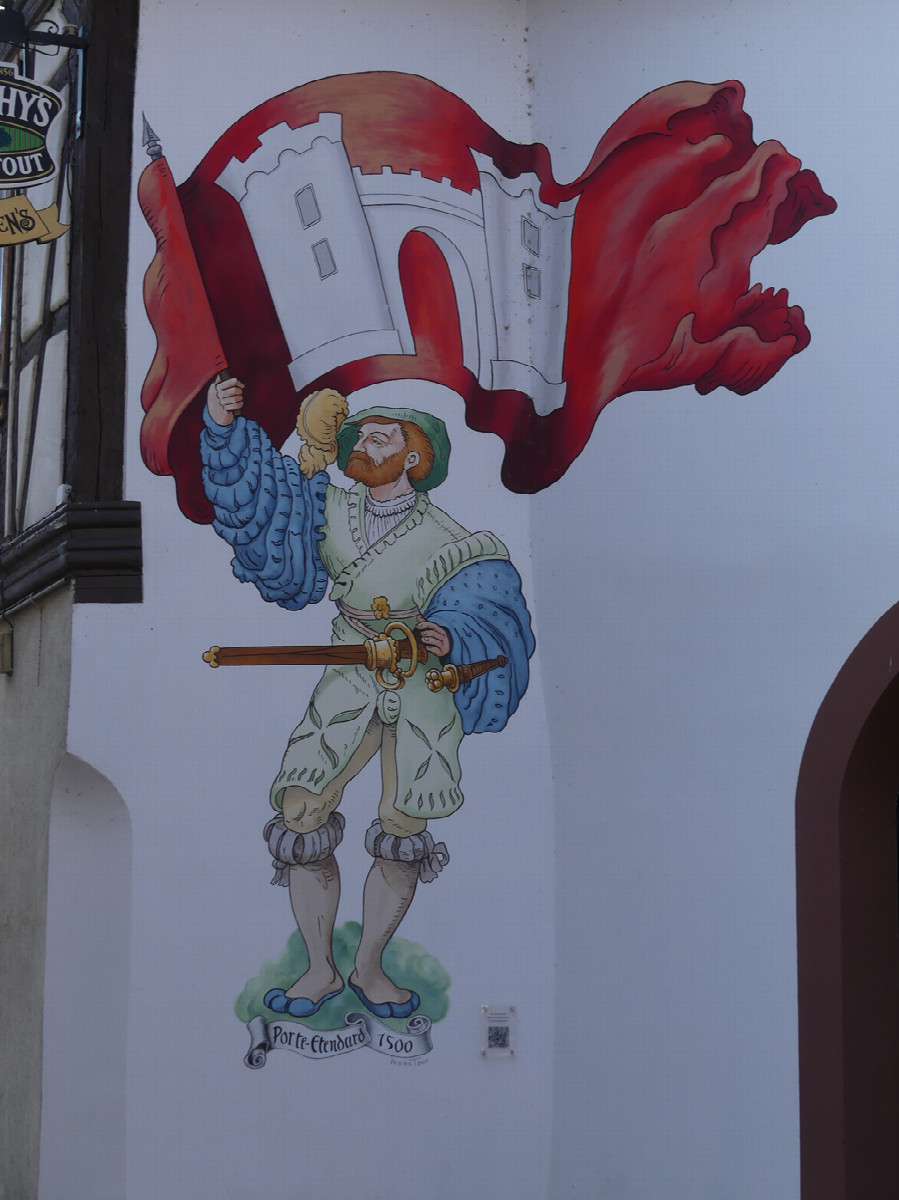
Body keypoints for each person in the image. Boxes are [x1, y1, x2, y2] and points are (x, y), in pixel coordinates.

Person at [201, 376, 535, 1020]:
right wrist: (221, 428)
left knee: (405, 826)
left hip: (422, 693)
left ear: (414, 457)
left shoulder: (451, 537)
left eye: (383, 435)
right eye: (362, 433)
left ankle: (371, 968)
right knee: (300, 807)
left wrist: (452, 634)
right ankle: (319, 970)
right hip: (349, 677)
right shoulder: (326, 503)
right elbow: (265, 505)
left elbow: (491, 611)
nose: (364, 440)